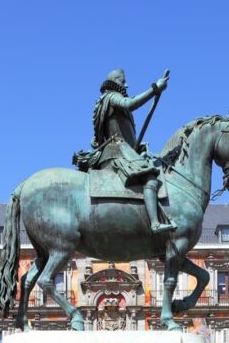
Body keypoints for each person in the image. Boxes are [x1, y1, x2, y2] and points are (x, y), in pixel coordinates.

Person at [73, 68, 176, 234]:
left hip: (122, 149)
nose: (126, 84)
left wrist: (136, 148)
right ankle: (155, 223)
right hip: (117, 152)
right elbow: (131, 104)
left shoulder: (107, 100)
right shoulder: (112, 97)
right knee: (150, 178)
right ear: (114, 82)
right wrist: (155, 89)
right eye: (123, 81)